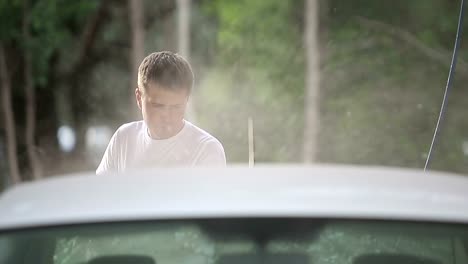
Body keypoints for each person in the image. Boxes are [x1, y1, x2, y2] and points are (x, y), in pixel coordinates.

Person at [96, 51, 226, 174]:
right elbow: (101, 193)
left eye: (176, 107)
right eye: (158, 106)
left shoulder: (207, 150)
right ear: (138, 98)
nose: (167, 116)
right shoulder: (123, 139)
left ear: (187, 100)